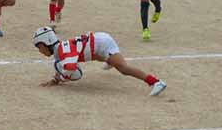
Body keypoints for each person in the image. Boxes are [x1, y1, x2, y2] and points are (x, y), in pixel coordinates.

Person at [32, 27, 167, 95]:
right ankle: (109, 60)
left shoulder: (63, 50)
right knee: (91, 54)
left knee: (124, 69)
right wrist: (56, 79)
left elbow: (72, 69)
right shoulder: (60, 50)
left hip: (103, 43)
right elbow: (65, 63)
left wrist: (63, 75)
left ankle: (155, 82)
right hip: (98, 42)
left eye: (40, 47)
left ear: (47, 42)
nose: (40, 51)